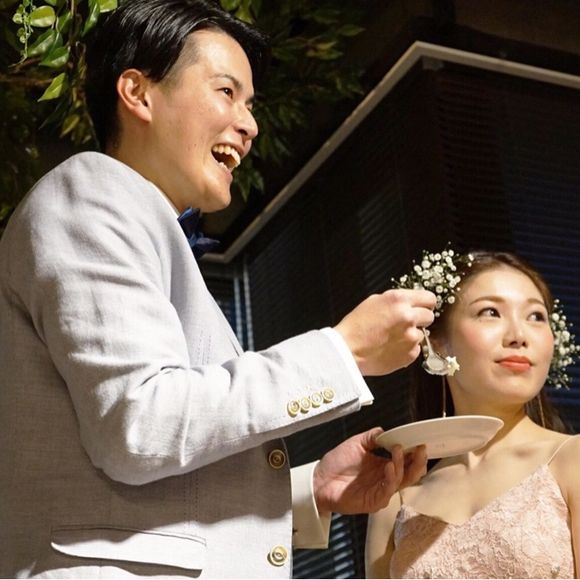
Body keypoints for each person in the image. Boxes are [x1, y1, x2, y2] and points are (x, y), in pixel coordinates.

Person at [0, 0, 436, 577]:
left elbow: (143, 471)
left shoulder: (147, 228)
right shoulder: (94, 192)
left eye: (249, 105)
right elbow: (140, 425)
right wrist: (342, 351)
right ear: (138, 93)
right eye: (226, 92)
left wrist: (313, 488)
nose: (250, 125)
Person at [365, 250, 580, 579]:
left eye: (536, 316)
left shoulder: (571, 460)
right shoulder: (397, 499)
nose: (518, 336)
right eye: (490, 312)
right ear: (436, 343)